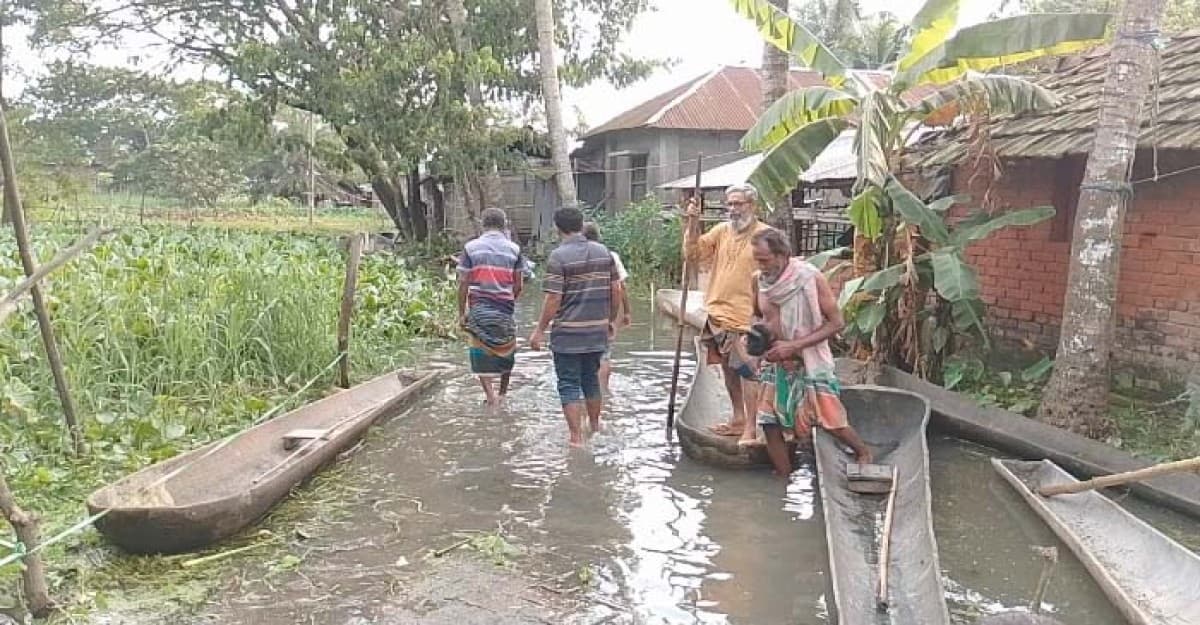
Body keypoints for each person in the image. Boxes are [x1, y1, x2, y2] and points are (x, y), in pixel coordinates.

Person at [749, 228, 872, 476]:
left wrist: (794, 346)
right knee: (768, 422)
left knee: (830, 421)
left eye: (765, 260)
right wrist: (757, 339)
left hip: (809, 359)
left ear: (782, 255)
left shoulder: (810, 279)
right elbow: (757, 315)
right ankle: (783, 476)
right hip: (776, 361)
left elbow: (837, 323)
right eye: (757, 260)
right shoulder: (758, 282)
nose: (761, 266)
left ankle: (863, 452)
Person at [683, 183, 772, 446]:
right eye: (729, 204)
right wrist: (692, 223)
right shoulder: (722, 231)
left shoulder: (765, 235)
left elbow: (778, 275)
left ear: (751, 205)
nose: (733, 210)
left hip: (748, 318)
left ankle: (752, 428)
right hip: (718, 314)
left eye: (738, 204)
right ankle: (738, 418)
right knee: (728, 369)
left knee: (749, 372)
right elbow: (693, 254)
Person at [530, 207, 621, 447]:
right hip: (596, 331)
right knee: (591, 379)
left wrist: (540, 329)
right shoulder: (604, 253)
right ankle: (594, 425)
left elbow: (553, 298)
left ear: (557, 228)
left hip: (568, 333)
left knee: (569, 383)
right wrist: (611, 320)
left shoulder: (558, 257)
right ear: (581, 225)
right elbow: (616, 290)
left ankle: (576, 438)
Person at [457, 207, 524, 408]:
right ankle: (503, 394)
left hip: (479, 308)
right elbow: (519, 284)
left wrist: (462, 313)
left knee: (480, 351)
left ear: (482, 224)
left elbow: (463, 283)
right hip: (504, 308)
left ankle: (490, 396)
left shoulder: (470, 248)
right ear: (504, 225)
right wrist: (509, 300)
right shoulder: (515, 249)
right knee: (506, 348)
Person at [582, 221, 632, 394]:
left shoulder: (573, 256)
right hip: (604, 312)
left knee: (582, 355)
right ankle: (603, 393)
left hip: (579, 314)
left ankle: (586, 392)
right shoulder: (611, 256)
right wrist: (625, 312)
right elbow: (620, 287)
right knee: (604, 354)